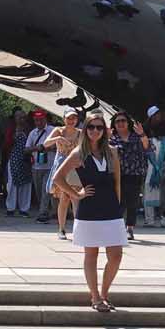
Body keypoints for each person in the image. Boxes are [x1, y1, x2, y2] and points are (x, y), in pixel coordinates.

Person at [50, 114, 126, 312]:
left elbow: (117, 182)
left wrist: (119, 207)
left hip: (111, 209)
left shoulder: (112, 152)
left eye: (99, 128)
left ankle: (105, 293)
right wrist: (76, 194)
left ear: (105, 131)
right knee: (91, 254)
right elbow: (58, 178)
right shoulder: (79, 153)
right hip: (89, 210)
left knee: (116, 255)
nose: (95, 131)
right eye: (91, 127)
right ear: (85, 129)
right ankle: (95, 297)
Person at [109, 112, 150, 239]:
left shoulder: (136, 136)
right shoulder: (112, 138)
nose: (120, 123)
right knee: (118, 202)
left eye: (123, 121)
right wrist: (106, 137)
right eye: (117, 121)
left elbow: (147, 146)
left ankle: (130, 228)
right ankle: (117, 227)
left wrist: (142, 134)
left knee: (133, 201)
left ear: (128, 123)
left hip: (135, 173)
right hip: (117, 174)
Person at [43, 111, 84, 237]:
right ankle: (61, 228)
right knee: (64, 198)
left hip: (75, 167)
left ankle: (78, 229)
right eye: (68, 118)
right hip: (61, 167)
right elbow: (45, 144)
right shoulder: (58, 130)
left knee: (75, 198)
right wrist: (58, 138)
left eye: (74, 118)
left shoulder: (80, 133)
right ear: (64, 119)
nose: (71, 120)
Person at [27, 111, 54, 222]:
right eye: (36, 120)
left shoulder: (52, 130)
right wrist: (38, 148)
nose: (39, 122)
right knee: (38, 191)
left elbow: (61, 145)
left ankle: (43, 213)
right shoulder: (33, 133)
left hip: (50, 166)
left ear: (45, 119)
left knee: (45, 189)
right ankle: (45, 209)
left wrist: (50, 148)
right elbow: (26, 149)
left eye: (41, 120)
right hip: (36, 166)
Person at [5, 112, 34, 216]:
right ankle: (10, 208)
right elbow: (6, 144)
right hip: (14, 159)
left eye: (23, 117)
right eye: (19, 117)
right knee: (12, 183)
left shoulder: (29, 129)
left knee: (26, 183)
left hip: (26, 160)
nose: (21, 119)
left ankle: (24, 209)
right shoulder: (11, 129)